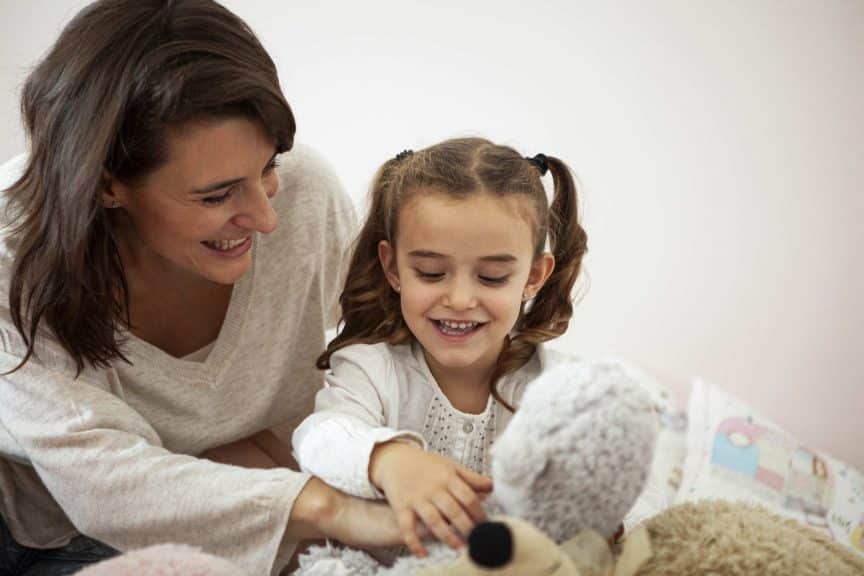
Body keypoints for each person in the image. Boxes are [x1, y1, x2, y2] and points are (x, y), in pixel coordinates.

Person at [0, 1, 403, 574]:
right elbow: (105, 481)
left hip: (239, 504)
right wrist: (334, 510)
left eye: (268, 167)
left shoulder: (303, 195)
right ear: (108, 185)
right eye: (216, 196)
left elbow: (388, 350)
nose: (266, 218)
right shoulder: (11, 254)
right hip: (44, 530)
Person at [292, 138, 589, 557]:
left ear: (534, 276)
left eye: (491, 277)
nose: (459, 299)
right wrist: (388, 459)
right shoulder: (371, 368)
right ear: (393, 267)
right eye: (431, 273)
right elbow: (317, 439)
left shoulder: (559, 388)